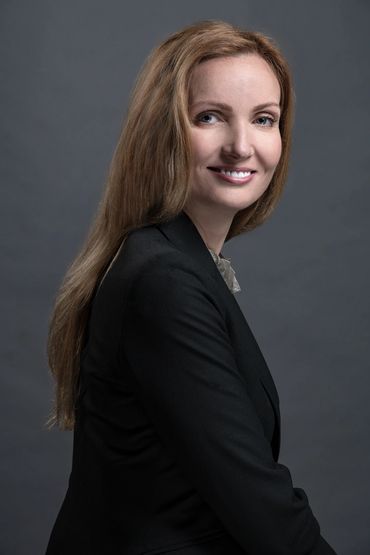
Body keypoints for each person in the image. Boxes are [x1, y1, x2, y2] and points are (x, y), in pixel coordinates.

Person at [45, 19, 337, 555]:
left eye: (264, 119)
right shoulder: (164, 280)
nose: (242, 146)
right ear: (164, 130)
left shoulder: (169, 258)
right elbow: (262, 508)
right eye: (210, 117)